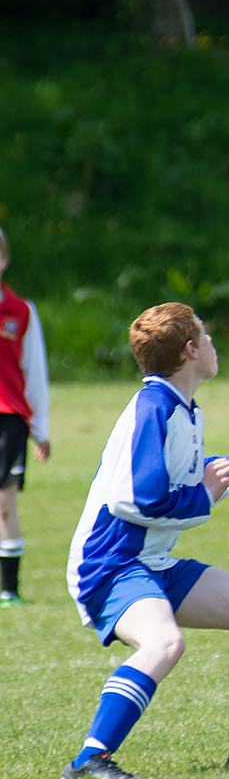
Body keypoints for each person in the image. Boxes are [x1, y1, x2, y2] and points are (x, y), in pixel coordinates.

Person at [61, 302, 229, 779]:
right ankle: (89, 759)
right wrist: (202, 497)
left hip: (151, 561)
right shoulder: (153, 408)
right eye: (206, 336)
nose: (213, 344)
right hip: (111, 563)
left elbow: (205, 477)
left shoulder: (181, 408)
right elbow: (134, 499)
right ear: (190, 350)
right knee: (164, 642)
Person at [0, 227, 50, 608]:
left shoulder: (21, 312)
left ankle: (9, 590)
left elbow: (35, 373)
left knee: (5, 502)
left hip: (10, 419)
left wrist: (41, 430)